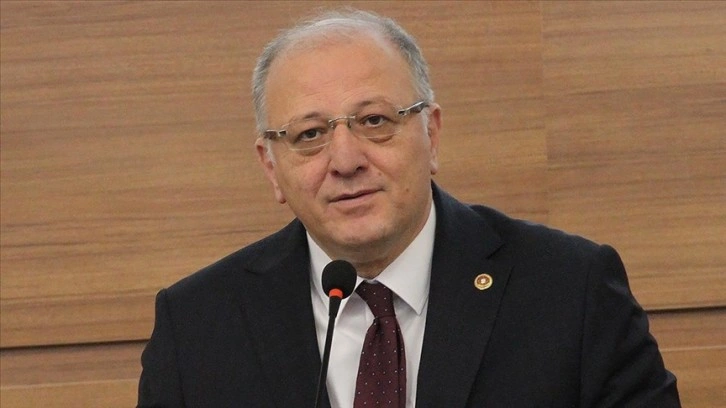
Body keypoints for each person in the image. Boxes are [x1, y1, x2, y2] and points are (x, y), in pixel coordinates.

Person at [138, 8, 680, 408]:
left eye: (374, 121)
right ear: (271, 166)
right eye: (309, 134)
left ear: (431, 134)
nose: (345, 160)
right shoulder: (197, 328)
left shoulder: (570, 290)